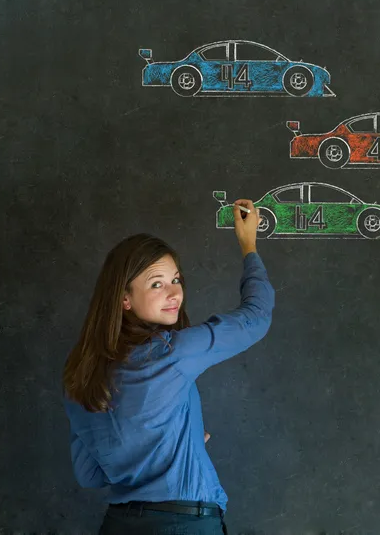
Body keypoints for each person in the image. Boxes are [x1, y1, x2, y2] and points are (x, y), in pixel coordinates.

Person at [62, 200, 275, 535]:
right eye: (156, 283)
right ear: (125, 298)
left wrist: (169, 448)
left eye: (176, 279)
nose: (175, 292)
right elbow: (257, 317)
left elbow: (89, 475)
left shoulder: (79, 375)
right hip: (183, 524)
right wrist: (249, 245)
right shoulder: (171, 353)